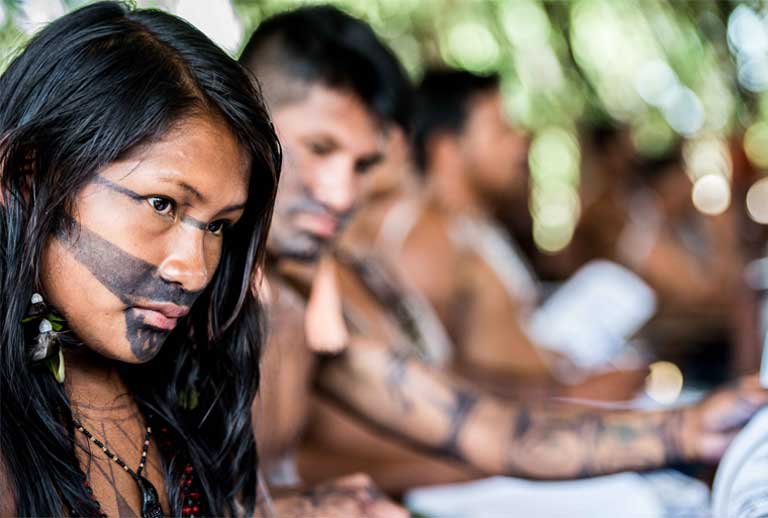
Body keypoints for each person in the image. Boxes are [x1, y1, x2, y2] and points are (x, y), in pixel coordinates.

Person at [241, 3, 768, 499]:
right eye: (319, 149)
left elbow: (479, 425)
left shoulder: (304, 300)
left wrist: (686, 429)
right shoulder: (192, 288)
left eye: (362, 165)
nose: (343, 193)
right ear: (245, 112)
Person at [0, 3, 283, 516]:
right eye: (162, 204)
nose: (194, 271)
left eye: (219, 225)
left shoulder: (192, 385)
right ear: (26, 176)